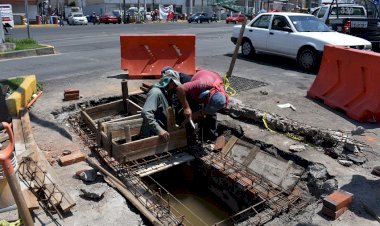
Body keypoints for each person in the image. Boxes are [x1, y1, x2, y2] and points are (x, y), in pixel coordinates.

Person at [176, 69, 229, 146]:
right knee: (193, 108)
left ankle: (211, 139)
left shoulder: (222, 97)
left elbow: (207, 111)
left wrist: (203, 113)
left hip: (211, 84)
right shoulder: (200, 84)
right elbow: (180, 89)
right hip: (201, 81)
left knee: (211, 115)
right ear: (208, 98)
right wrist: (186, 108)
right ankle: (189, 135)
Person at [140, 70, 182, 141]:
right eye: (174, 84)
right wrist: (159, 130)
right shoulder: (156, 92)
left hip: (163, 133)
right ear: (168, 81)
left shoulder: (167, 93)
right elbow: (146, 112)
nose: (175, 86)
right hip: (152, 134)